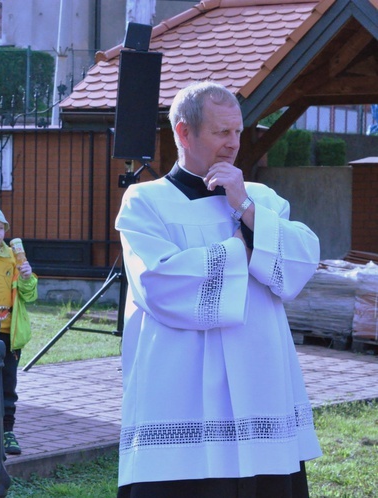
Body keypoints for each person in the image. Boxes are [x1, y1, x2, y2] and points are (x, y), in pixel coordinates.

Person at [115, 81, 322, 497]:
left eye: (238, 132)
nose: (233, 144)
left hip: (259, 379)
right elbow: (159, 284)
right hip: (180, 386)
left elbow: (300, 262)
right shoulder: (145, 202)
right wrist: (247, 250)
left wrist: (245, 208)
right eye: (221, 132)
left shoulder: (260, 198)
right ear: (183, 133)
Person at [0, 205, 37, 455]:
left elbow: (29, 296)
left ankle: (7, 431)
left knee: (8, 384)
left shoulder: (13, 257)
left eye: (1, 228)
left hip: (9, 334)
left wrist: (28, 277)